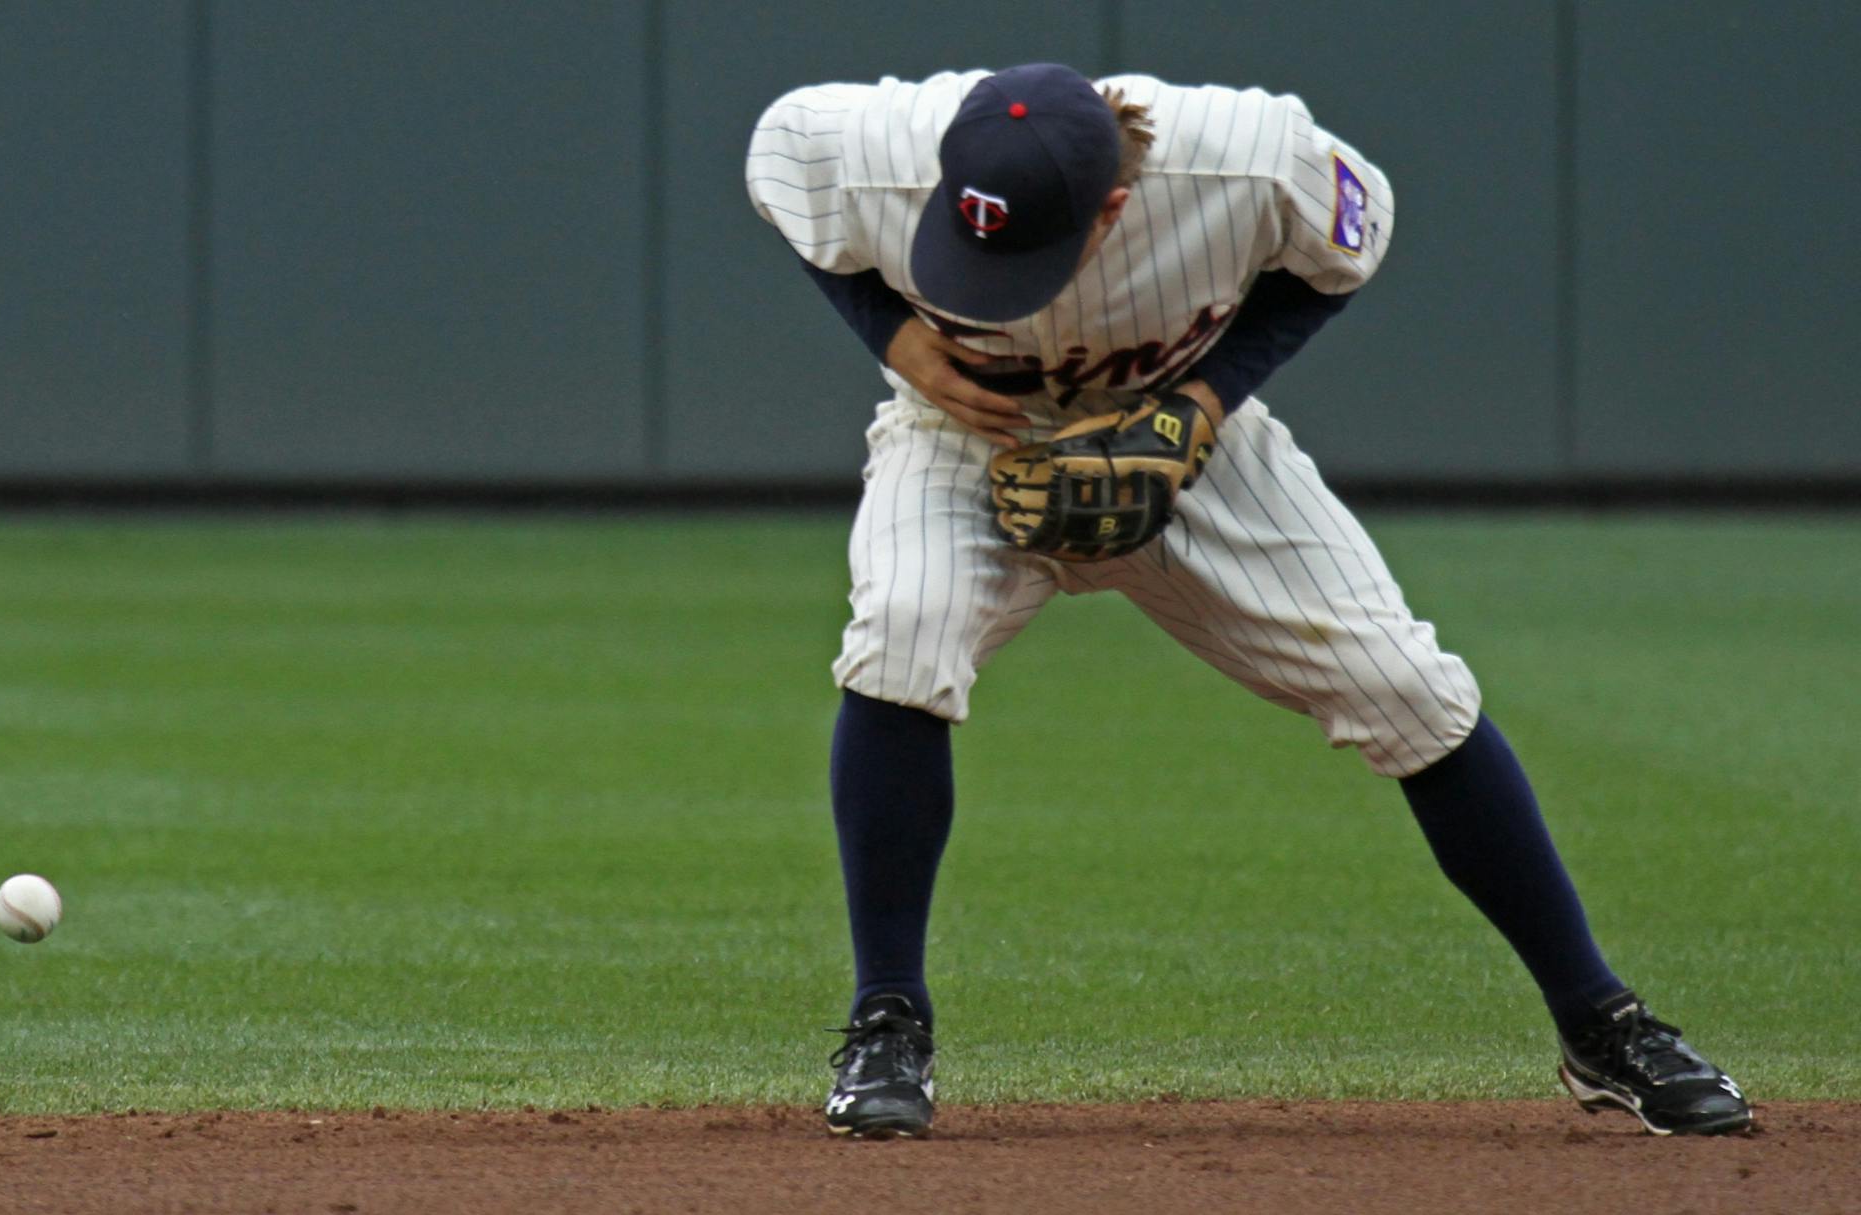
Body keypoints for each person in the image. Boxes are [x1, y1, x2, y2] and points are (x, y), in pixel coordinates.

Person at [746, 63, 1751, 1140]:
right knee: (904, 634)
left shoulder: (1251, 159)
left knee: (1405, 689)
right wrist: (892, 338)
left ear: (1117, 206)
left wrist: (1205, 401)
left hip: (1185, 447)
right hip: (965, 440)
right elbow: (776, 164)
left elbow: (1347, 249)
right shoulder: (863, 144)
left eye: (1028, 251)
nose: (989, 269)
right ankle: (886, 1017)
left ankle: (1599, 1022)